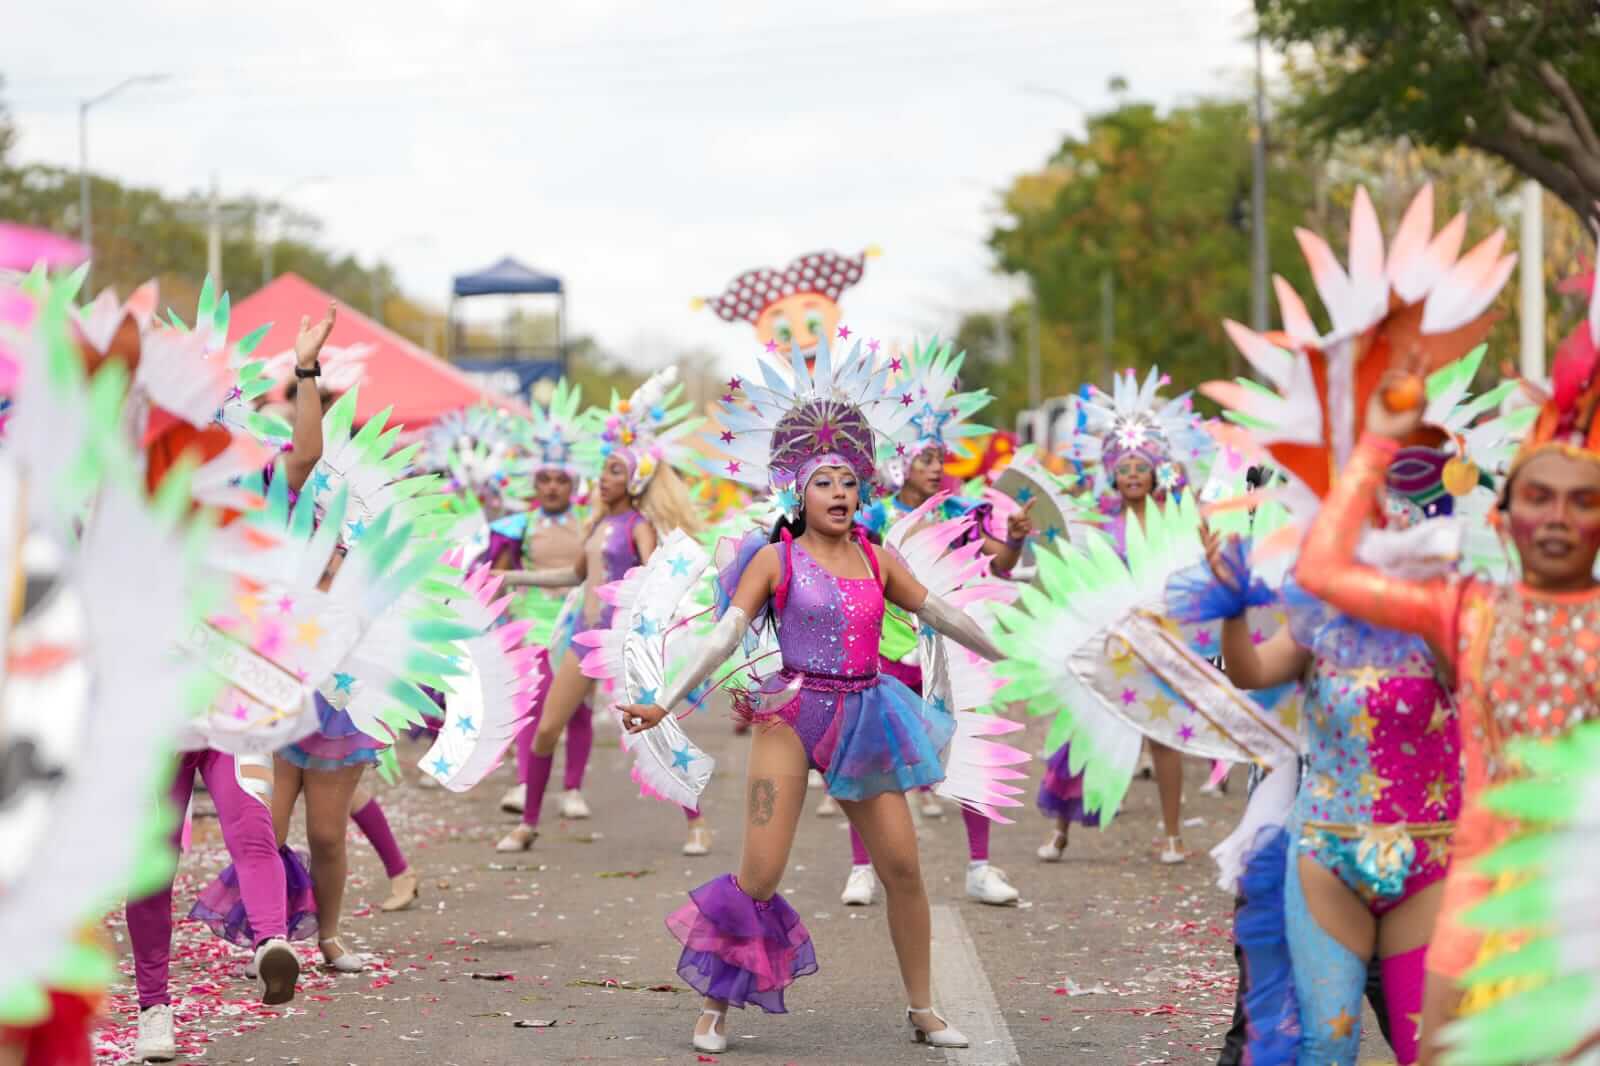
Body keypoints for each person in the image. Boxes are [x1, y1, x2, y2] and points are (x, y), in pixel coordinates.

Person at [616, 335, 1026, 1053]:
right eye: (823, 483)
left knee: (903, 868)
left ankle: (924, 1010)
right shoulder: (775, 560)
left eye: (847, 483)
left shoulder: (878, 557)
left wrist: (1011, 655)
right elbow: (724, 637)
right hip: (789, 718)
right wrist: (664, 702)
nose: (839, 494)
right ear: (797, 495)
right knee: (761, 873)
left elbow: (940, 613)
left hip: (866, 717)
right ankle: (715, 1004)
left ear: (862, 491)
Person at [1200, 183, 1520, 1065]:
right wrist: (1230, 608)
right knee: (1327, 1047)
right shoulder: (1321, 614)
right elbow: (1252, 673)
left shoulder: (1452, 616)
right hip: (1326, 856)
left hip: (1433, 856)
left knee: (1431, 1051)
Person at [1295, 328, 1600, 1062]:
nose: (1559, 518)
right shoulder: (1467, 611)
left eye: (1584, 501)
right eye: (1539, 497)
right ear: (1503, 515)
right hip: (1479, 903)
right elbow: (1323, 571)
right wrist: (1378, 443)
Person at [841, 339, 1032, 908]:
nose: (935, 467)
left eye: (939, 458)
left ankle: (980, 866)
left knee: (972, 749)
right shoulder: (872, 517)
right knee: (871, 759)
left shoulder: (958, 512)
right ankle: (862, 869)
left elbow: (998, 562)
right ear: (899, 462)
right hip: (888, 651)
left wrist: (1015, 539)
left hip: (950, 652)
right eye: (924, 458)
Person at [498, 369, 709, 856]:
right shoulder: (596, 524)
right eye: (605, 469)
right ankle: (528, 824)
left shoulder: (638, 525)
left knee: (654, 736)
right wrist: (509, 578)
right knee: (545, 730)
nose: (603, 477)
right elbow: (574, 576)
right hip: (584, 636)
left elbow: (657, 578)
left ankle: (697, 823)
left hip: (624, 644)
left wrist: (655, 625)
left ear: (634, 479)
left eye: (614, 470)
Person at [482, 381, 596, 823]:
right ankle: (526, 782)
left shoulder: (591, 523)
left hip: (578, 624)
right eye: (544, 479)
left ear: (573, 483)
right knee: (532, 704)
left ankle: (573, 789)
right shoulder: (518, 525)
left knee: (579, 710)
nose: (551, 487)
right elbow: (494, 576)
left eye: (560, 480)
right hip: (532, 624)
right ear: (534, 482)